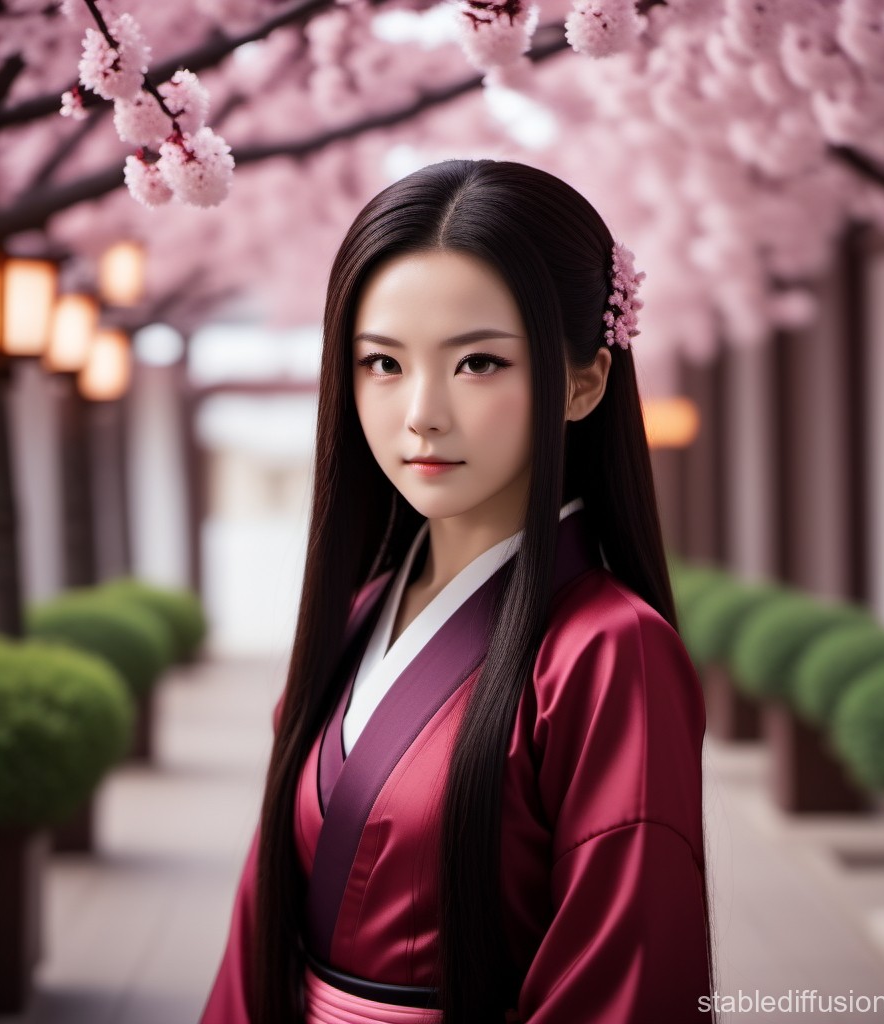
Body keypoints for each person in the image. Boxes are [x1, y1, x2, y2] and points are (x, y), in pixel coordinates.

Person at [200, 158, 716, 1024]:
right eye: (382, 362)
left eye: (477, 362)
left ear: (585, 381)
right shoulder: (359, 614)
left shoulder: (609, 651)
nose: (421, 414)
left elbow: (623, 982)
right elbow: (260, 932)